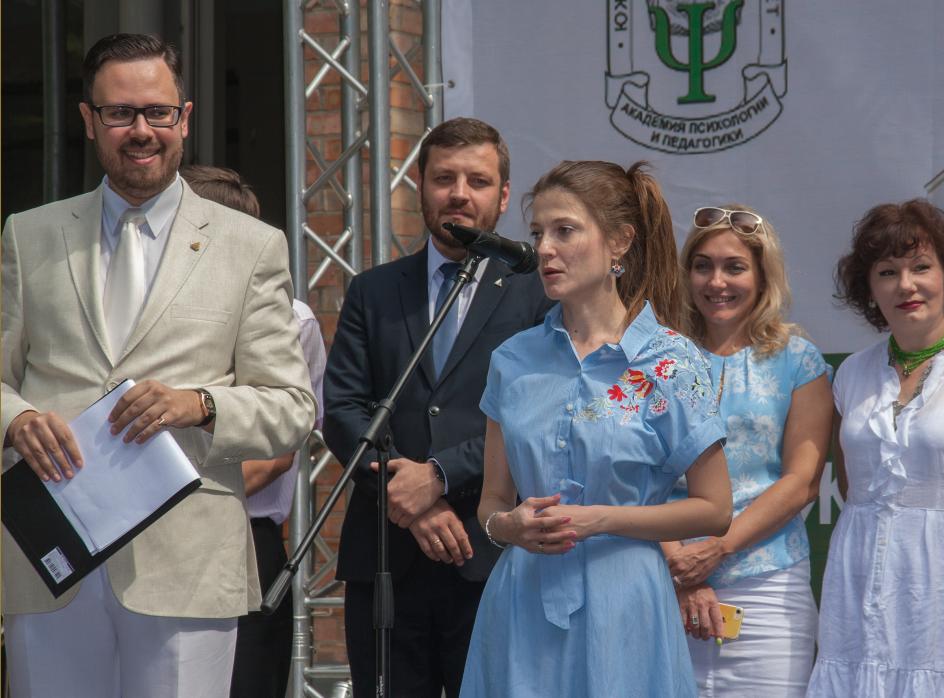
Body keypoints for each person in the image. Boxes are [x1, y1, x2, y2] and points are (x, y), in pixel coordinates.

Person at [1, 34, 316, 698]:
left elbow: (291, 409)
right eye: (120, 113)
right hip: (52, 551)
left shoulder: (252, 246)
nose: (141, 130)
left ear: (185, 118)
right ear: (89, 120)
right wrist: (16, 419)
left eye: (158, 112)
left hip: (188, 562)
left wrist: (199, 405)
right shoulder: (28, 236)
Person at [459, 161, 734, 698]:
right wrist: (507, 527)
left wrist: (601, 519)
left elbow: (715, 509)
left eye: (564, 230)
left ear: (619, 242)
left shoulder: (671, 361)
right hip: (522, 602)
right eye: (538, 233)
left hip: (626, 604)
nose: (544, 249)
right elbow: (491, 501)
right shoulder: (512, 360)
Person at [322, 117, 553, 698]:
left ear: (503, 196)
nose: (459, 193)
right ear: (419, 186)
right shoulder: (373, 290)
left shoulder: (538, 294)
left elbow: (538, 415)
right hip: (386, 558)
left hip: (491, 553)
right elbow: (344, 411)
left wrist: (440, 476)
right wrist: (408, 502)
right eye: (444, 178)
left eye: (478, 181)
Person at [807, 199, 944, 696]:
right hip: (861, 581)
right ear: (869, 288)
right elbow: (854, 488)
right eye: (888, 272)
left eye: (921, 267)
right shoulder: (852, 373)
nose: (906, 285)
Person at [664, 205, 832, 696]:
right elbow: (635, 474)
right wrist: (681, 569)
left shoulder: (797, 359)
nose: (717, 282)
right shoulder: (657, 357)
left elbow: (802, 481)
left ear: (762, 276)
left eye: (734, 267)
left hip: (768, 586)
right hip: (664, 580)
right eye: (703, 266)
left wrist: (718, 548)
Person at [180, 164, 328, 698]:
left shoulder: (292, 319)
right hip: (145, 534)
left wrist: (177, 499)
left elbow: (280, 450)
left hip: (243, 531)